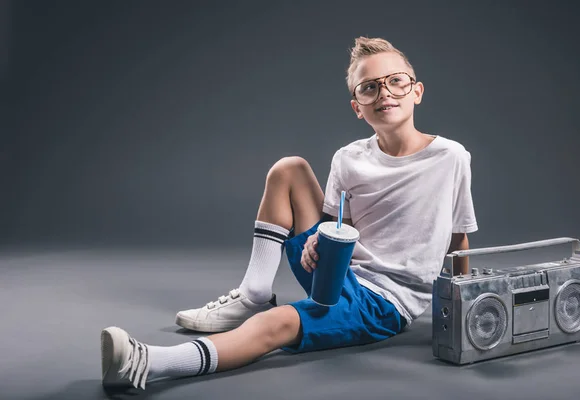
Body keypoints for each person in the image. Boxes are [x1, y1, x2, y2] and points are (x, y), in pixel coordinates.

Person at [100, 36, 478, 390]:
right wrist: (317, 242)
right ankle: (254, 295)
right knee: (289, 168)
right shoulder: (349, 158)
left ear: (417, 91)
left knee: (278, 324)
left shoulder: (450, 158)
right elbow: (337, 227)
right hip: (335, 272)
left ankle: (146, 364)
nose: (384, 94)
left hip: (382, 301)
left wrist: (463, 311)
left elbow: (458, 236)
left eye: (395, 81)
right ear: (357, 107)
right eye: (369, 87)